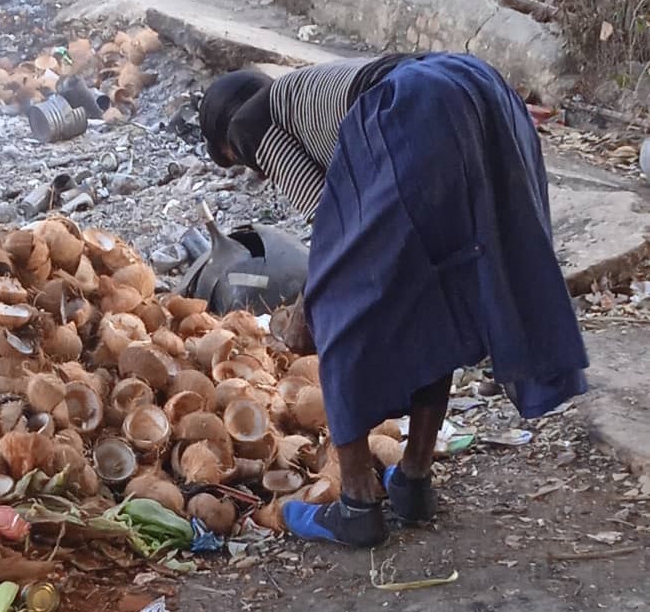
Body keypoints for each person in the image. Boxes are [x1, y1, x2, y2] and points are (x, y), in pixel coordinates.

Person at [198, 52, 588, 548]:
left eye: (234, 160)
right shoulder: (307, 92)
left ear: (226, 138)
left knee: (339, 309)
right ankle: (413, 482)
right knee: (432, 296)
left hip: (414, 108)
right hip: (480, 88)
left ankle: (357, 504)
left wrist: (304, 311)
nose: (250, 169)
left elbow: (332, 225)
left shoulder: (249, 121)